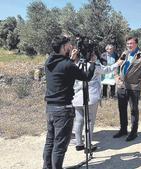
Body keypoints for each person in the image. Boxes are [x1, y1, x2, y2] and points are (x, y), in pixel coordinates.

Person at [43, 35, 95, 169]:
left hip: (51, 108)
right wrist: (93, 62)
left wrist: (70, 59)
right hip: (63, 110)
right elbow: (86, 77)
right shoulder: (67, 65)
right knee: (60, 146)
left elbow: (63, 67)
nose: (71, 46)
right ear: (64, 47)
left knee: (50, 142)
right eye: (69, 45)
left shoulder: (50, 61)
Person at [71, 53, 123, 151]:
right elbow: (107, 70)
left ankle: (79, 143)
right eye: (94, 54)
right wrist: (117, 63)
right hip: (90, 97)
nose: (96, 56)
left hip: (77, 97)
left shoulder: (75, 65)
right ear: (91, 56)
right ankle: (88, 145)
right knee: (89, 122)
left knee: (78, 120)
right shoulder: (94, 66)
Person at [113, 36, 141, 141]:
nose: (129, 45)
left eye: (131, 43)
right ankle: (123, 129)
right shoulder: (125, 53)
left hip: (134, 87)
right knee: (122, 108)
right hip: (122, 86)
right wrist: (116, 76)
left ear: (136, 44)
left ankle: (133, 132)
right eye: (128, 43)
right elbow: (117, 65)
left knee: (133, 110)